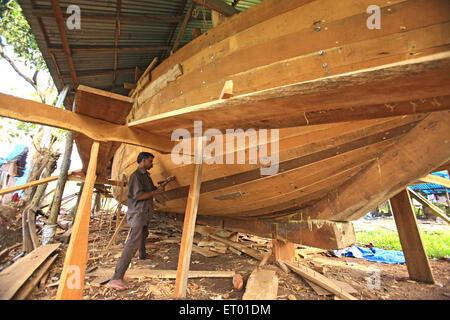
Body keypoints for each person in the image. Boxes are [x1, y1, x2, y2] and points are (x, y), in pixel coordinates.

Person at [107, 152, 167, 290]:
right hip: (138, 213)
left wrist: (164, 183)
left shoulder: (146, 176)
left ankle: (142, 255)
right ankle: (116, 278)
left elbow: (151, 190)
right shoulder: (136, 176)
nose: (152, 164)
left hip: (144, 213)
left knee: (144, 234)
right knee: (132, 243)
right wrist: (156, 193)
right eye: (150, 161)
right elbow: (139, 196)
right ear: (144, 161)